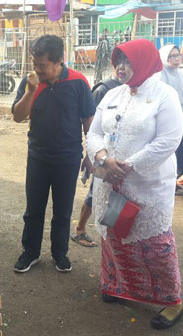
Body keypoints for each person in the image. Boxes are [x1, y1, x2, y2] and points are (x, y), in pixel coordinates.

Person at [87, 39, 183, 330]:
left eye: (128, 61)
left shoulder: (165, 95)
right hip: (110, 183)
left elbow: (169, 140)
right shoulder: (113, 94)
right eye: (118, 61)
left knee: (154, 244)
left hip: (147, 187)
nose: (121, 67)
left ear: (144, 61)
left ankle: (174, 300)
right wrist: (103, 158)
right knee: (112, 235)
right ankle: (116, 286)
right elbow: (93, 133)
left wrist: (127, 167)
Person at [12, 35, 95, 273]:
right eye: (35, 64)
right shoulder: (30, 82)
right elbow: (18, 117)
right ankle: (31, 252)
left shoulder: (78, 82)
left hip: (68, 158)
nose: (37, 69)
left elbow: (89, 119)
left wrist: (90, 153)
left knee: (63, 211)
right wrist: (30, 91)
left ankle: (60, 254)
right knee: (33, 210)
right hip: (38, 156)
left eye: (43, 65)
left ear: (59, 61)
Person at [71, 72, 122, 247]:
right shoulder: (104, 90)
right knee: (96, 191)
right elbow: (93, 126)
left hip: (121, 157)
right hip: (103, 155)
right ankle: (80, 229)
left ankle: (112, 236)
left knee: (119, 196)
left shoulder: (136, 90)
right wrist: (92, 156)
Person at [155, 45, 183, 178]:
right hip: (167, 118)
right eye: (173, 56)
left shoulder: (181, 74)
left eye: (178, 55)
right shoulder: (159, 76)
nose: (177, 58)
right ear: (164, 58)